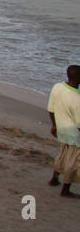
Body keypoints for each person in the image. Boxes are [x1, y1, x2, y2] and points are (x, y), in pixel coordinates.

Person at [47, 65, 80, 198]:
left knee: (62, 155)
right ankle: (66, 189)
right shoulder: (77, 98)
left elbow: (51, 109)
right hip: (74, 133)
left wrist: (54, 125)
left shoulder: (58, 87)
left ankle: (54, 178)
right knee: (72, 161)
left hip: (61, 128)